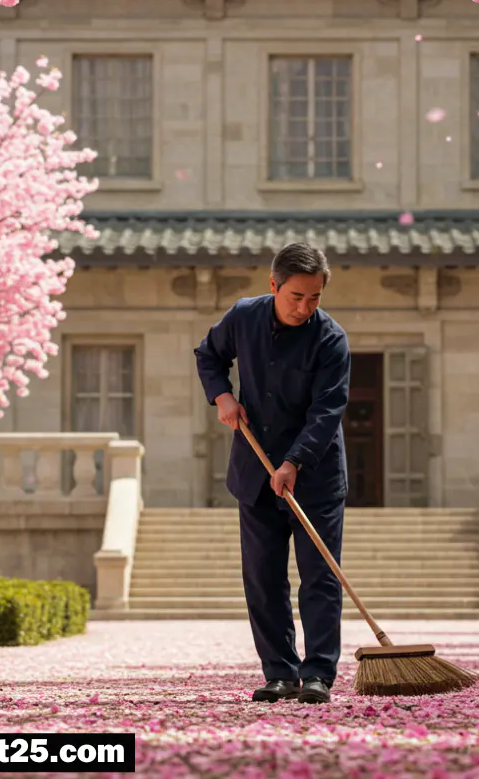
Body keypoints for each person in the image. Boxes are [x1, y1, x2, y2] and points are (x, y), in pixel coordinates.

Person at [194, 242, 351, 705]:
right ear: (273, 285)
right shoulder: (243, 317)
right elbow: (209, 355)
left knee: (319, 576)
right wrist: (222, 396)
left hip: (315, 477)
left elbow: (327, 411)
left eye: (315, 298)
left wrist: (293, 462)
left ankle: (319, 672)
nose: (305, 307)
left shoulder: (331, 339)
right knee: (263, 577)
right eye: (295, 297)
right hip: (255, 469)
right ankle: (279, 671)